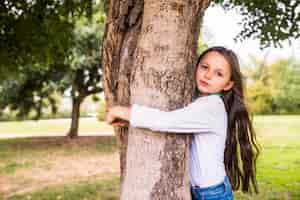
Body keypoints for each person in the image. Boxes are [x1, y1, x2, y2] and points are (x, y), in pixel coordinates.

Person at [105, 46, 260, 200]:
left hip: (212, 194)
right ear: (196, 66)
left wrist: (122, 111)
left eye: (218, 74)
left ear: (228, 84)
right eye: (204, 67)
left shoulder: (211, 106)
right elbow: (179, 121)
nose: (208, 75)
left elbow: (167, 121)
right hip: (205, 191)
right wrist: (131, 122)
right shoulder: (201, 103)